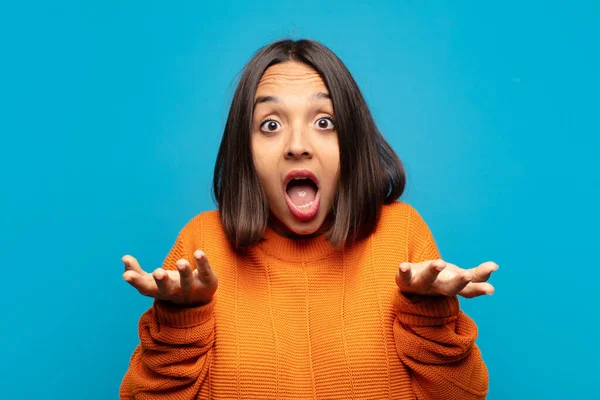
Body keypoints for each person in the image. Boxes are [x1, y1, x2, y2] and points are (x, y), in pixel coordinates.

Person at [120, 39, 498, 400]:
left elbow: (465, 394)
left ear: (351, 139)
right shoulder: (202, 244)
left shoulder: (402, 233)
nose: (297, 145)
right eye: (271, 124)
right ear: (244, 150)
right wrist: (179, 320)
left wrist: (430, 317)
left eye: (324, 122)